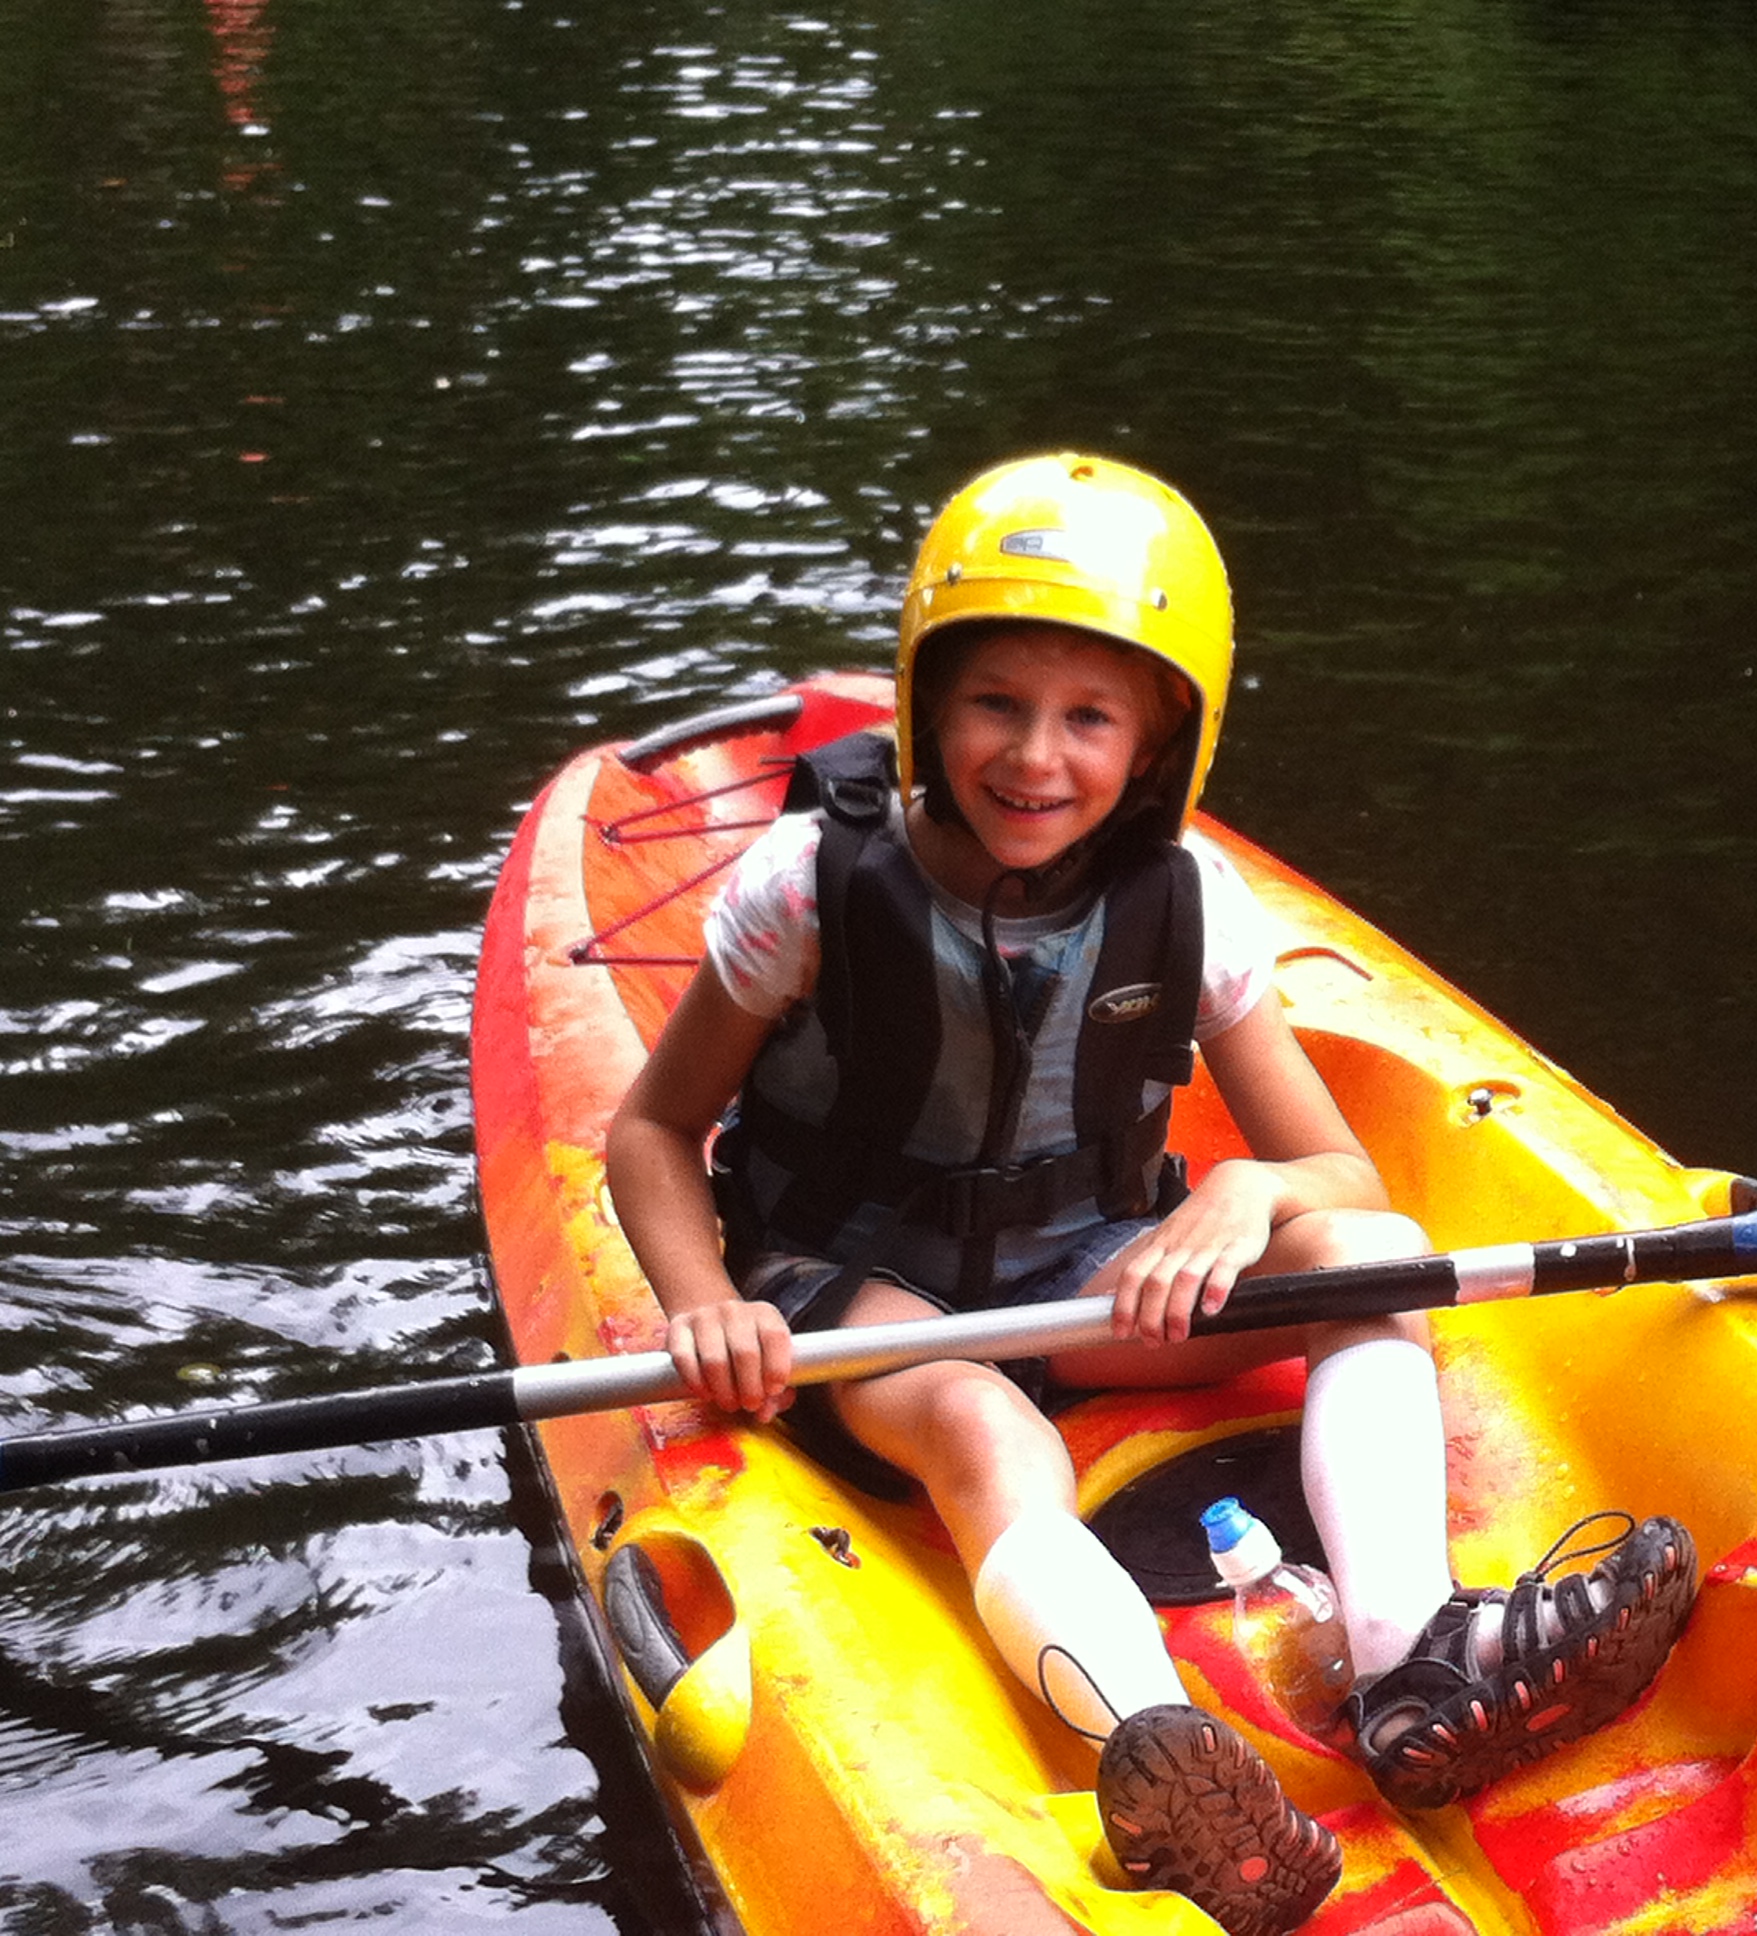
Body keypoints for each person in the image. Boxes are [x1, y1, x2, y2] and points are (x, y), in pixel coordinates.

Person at [606, 453, 1699, 1936]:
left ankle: (1413, 1661)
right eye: (996, 702)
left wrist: (1243, 1197)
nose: (1034, 758)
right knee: (982, 1426)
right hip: (858, 1301)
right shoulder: (808, 883)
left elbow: (1340, 1176)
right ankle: (1163, 1756)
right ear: (929, 702)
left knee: (1366, 1252)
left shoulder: (1191, 902)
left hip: (1083, 1279)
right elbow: (655, 1132)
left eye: (1088, 717)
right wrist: (705, 1304)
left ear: (1159, 740)